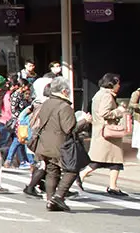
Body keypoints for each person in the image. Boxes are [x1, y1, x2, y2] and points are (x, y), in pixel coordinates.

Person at [23, 78, 78, 211]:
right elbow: (69, 128)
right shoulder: (64, 106)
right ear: (64, 91)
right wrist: (84, 122)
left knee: (52, 171)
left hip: (44, 143)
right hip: (59, 145)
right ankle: (58, 197)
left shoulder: (46, 103)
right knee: (72, 169)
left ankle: (50, 200)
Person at [78, 72, 129, 197]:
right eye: (118, 83)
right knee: (110, 160)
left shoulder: (99, 94)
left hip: (101, 132)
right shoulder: (107, 96)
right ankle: (82, 176)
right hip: (107, 133)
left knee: (109, 161)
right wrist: (119, 111)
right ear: (112, 84)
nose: (119, 86)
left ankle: (112, 186)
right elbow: (104, 113)